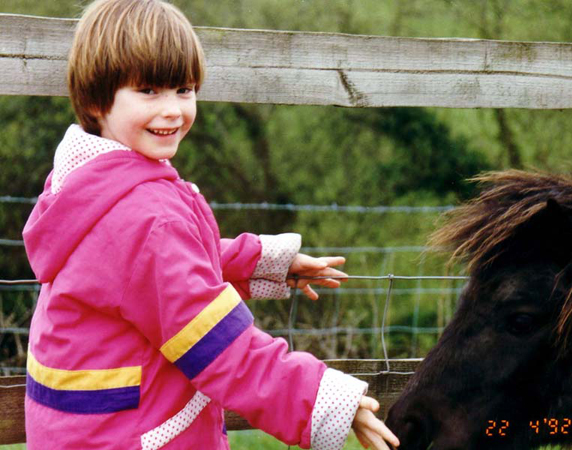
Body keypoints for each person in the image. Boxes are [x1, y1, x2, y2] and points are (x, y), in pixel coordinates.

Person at [22, 1, 400, 449]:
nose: (172, 111)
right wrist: (323, 398)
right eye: (148, 91)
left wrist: (261, 261)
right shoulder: (145, 217)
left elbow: (154, 270)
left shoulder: (88, 187)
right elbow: (220, 347)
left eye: (183, 89)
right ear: (95, 99)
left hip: (85, 432)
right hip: (136, 435)